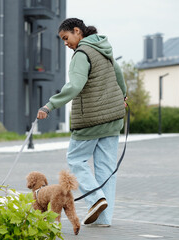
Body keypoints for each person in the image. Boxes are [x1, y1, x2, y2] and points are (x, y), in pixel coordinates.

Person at [37, 18, 127, 226]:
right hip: (113, 118)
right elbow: (119, 75)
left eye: (66, 37)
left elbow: (75, 85)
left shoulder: (82, 53)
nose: (65, 43)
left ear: (77, 31)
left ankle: (95, 199)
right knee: (106, 169)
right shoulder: (103, 48)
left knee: (76, 160)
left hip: (91, 119)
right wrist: (123, 97)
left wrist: (49, 105)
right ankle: (104, 219)